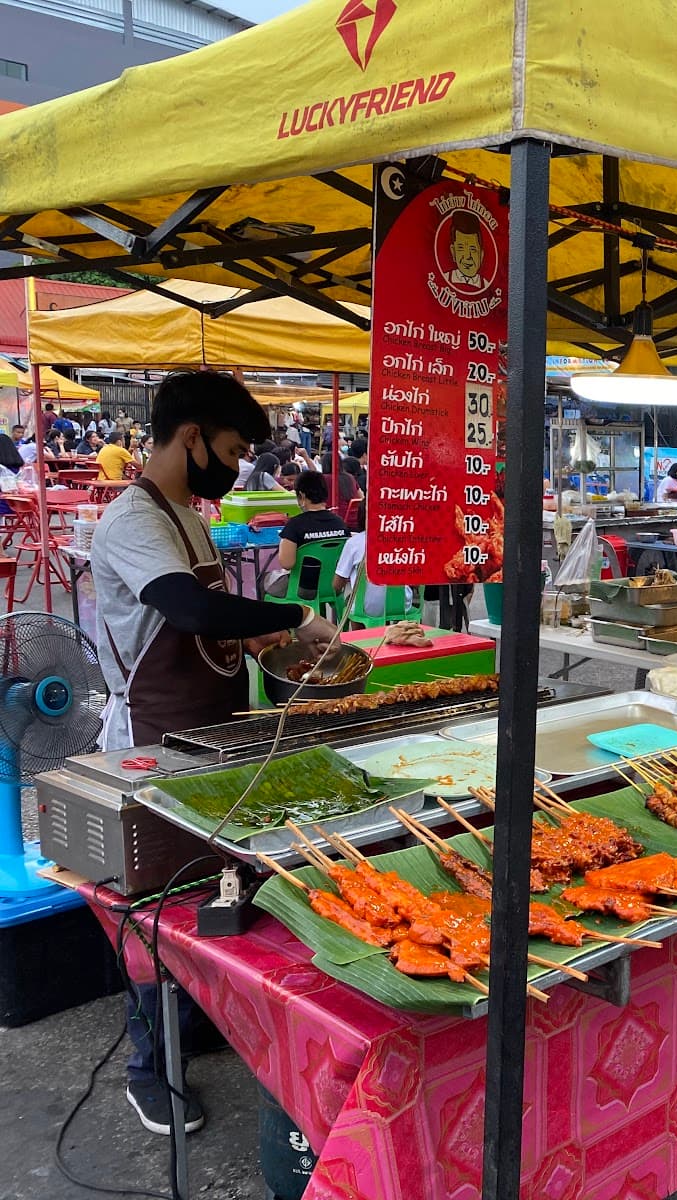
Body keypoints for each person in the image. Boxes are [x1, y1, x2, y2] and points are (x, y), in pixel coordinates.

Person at [91, 370, 338, 1134]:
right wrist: (295, 615)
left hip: (218, 727)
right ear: (191, 435)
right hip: (155, 740)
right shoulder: (132, 519)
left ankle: (196, 1021)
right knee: (155, 909)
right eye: (232, 450)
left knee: (218, 890)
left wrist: (262, 634)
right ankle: (148, 1068)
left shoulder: (194, 519)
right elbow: (190, 608)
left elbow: (217, 623)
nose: (236, 467)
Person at [264, 470, 349, 599]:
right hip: (333, 587)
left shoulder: (295, 525)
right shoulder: (340, 523)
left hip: (302, 590)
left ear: (302, 496)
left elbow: (286, 563)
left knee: (264, 580)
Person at [334, 506, 416, 619]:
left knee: (354, 603)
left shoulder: (353, 543)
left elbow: (337, 585)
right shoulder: (403, 539)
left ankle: (359, 635)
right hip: (401, 605)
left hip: (365, 608)